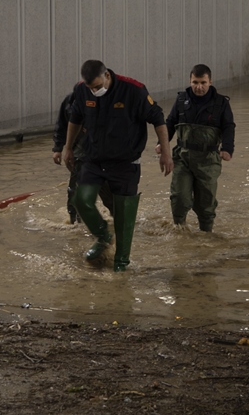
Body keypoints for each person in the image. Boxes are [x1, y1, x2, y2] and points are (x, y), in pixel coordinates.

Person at [61, 60, 173, 271]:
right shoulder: (81, 90)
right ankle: (104, 236)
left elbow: (158, 119)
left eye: (97, 86)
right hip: (95, 158)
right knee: (81, 199)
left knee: (123, 215)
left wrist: (166, 153)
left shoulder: (134, 90)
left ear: (107, 76)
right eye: (90, 88)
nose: (94, 91)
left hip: (125, 162)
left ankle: (121, 263)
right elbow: (75, 118)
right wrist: (67, 147)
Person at [161, 64, 235, 232]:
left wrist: (227, 148)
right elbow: (170, 123)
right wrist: (162, 144)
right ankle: (180, 234)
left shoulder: (221, 103)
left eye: (203, 82)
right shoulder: (181, 100)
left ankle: (206, 236)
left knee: (206, 203)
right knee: (179, 198)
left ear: (210, 81)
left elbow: (228, 127)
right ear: (190, 80)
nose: (198, 87)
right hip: (182, 157)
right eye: (195, 82)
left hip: (208, 160)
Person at [52, 88, 114, 224]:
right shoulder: (69, 101)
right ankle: (75, 223)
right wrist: (58, 148)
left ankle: (119, 217)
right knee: (74, 188)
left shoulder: (104, 100)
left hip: (101, 151)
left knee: (107, 189)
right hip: (79, 150)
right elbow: (61, 124)